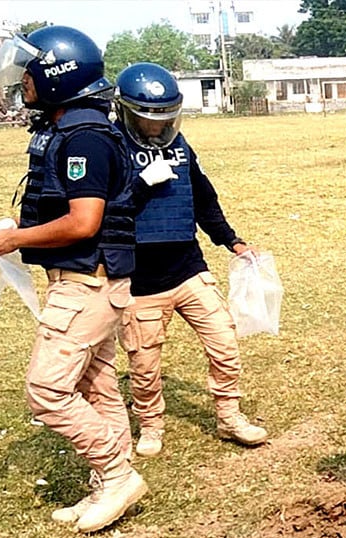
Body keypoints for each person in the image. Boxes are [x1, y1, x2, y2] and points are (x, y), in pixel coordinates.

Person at [0, 25, 146, 533]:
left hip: (86, 285)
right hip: (93, 281)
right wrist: (21, 228)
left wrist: (18, 240)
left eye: (29, 75)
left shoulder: (84, 138)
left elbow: (83, 222)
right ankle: (109, 483)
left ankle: (117, 475)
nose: (22, 84)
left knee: (48, 390)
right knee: (98, 387)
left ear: (57, 74)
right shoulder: (80, 127)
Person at [112, 63, 267, 456]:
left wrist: (232, 241)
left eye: (165, 118)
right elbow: (105, 213)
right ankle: (150, 425)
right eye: (149, 119)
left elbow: (203, 199)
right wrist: (140, 186)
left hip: (188, 270)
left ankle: (229, 416)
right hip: (139, 281)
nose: (156, 127)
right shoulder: (110, 147)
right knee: (144, 366)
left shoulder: (179, 147)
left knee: (224, 344)